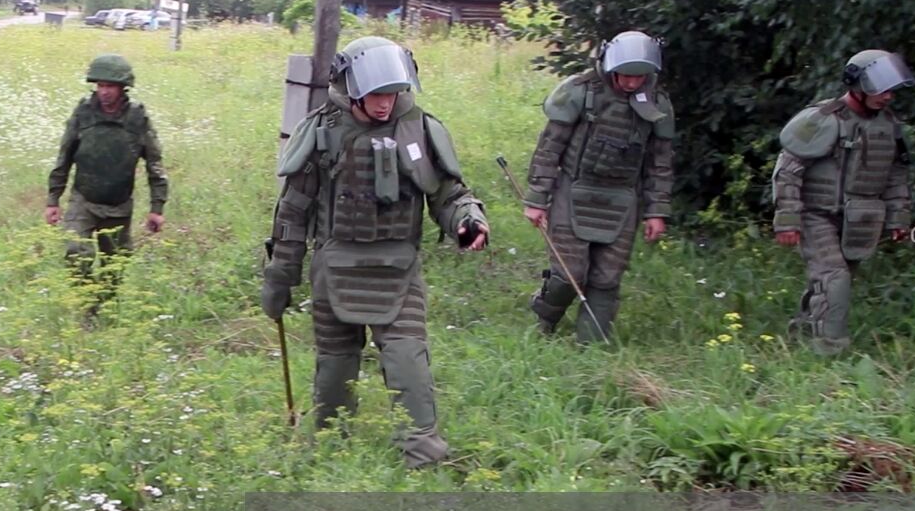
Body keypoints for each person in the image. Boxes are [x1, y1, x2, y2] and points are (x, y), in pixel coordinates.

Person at [261, 36, 489, 469]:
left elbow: (447, 192)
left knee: (407, 359)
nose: (385, 104)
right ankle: (331, 445)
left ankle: (422, 454)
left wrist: (467, 218)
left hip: (398, 268)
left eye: (392, 93)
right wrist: (279, 277)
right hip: (335, 267)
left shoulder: (416, 128)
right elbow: (293, 211)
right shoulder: (324, 131)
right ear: (352, 88)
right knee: (335, 364)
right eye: (376, 95)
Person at [521, 30, 675, 343]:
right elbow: (550, 148)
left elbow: (660, 164)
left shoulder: (657, 104)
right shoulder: (581, 91)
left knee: (607, 278)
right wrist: (538, 198)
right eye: (625, 76)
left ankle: (590, 346)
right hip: (573, 190)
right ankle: (544, 320)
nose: (632, 83)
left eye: (639, 76)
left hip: (622, 199)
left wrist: (656, 211)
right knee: (569, 273)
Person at [772, 49, 915, 355]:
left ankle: (802, 333)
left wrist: (898, 218)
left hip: (860, 220)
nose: (888, 97)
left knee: (832, 282)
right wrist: (787, 219)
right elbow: (788, 172)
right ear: (856, 85)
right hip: (816, 215)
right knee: (835, 279)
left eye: (891, 90)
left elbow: (895, 175)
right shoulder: (822, 119)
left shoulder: (888, 125)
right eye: (880, 89)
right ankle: (829, 351)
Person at [45, 54, 168, 307]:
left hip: (119, 204)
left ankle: (106, 308)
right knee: (76, 252)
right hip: (84, 200)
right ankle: (88, 306)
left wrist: (157, 209)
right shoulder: (83, 114)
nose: (104, 92)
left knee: (114, 265)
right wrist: (53, 199)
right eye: (100, 85)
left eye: (110, 86)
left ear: (123, 88)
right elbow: (64, 156)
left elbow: (154, 164)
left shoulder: (137, 120)